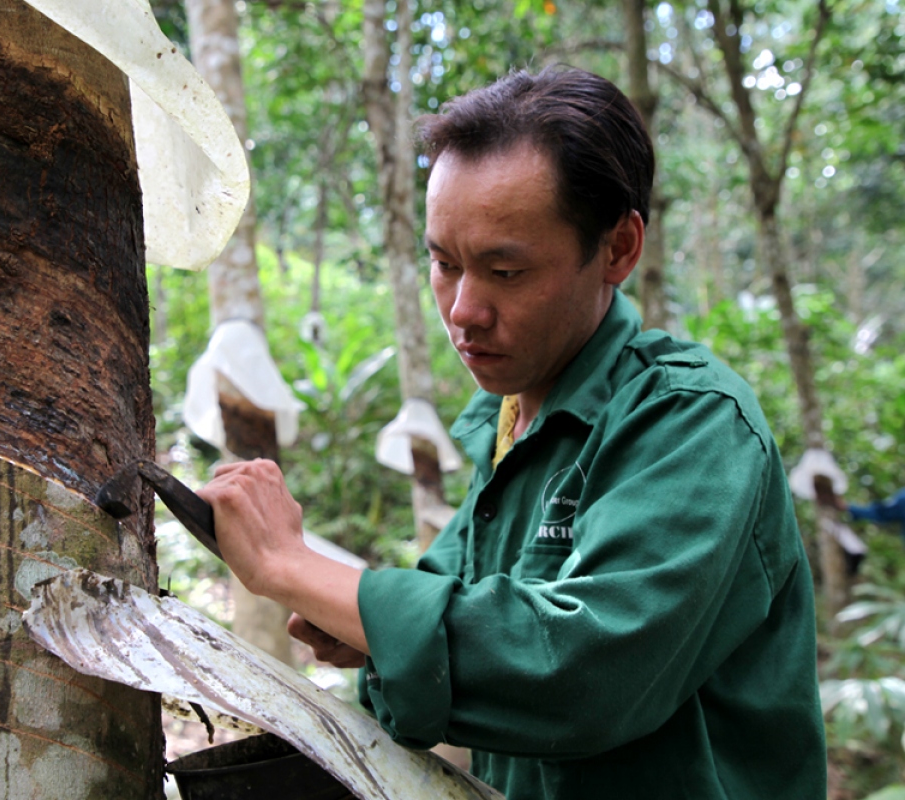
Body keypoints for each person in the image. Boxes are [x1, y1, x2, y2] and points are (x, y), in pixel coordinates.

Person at [197, 67, 826, 799]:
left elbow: (583, 675)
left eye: (504, 269)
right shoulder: (509, 425)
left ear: (619, 249)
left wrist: (291, 567)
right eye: (444, 264)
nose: (463, 310)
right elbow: (450, 612)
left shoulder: (693, 422)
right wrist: (360, 627)